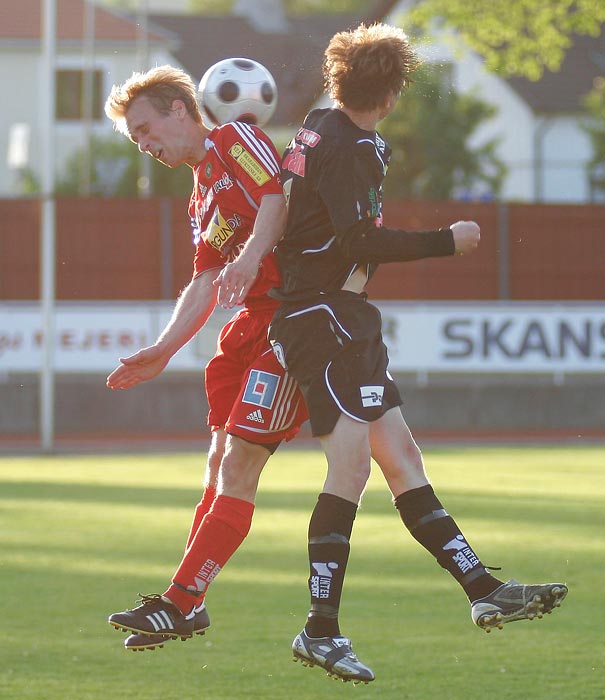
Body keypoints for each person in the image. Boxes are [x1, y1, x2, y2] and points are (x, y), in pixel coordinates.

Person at [268, 23, 568, 684]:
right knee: (348, 472)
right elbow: (354, 241)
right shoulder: (351, 146)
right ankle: (320, 630)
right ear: (395, 88)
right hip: (325, 316)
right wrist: (445, 240)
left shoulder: (322, 123)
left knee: (400, 460)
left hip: (339, 315)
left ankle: (482, 589)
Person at [103, 65, 308, 651]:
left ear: (180, 110)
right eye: (135, 139)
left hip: (290, 319)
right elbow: (205, 278)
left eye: (146, 128)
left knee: (242, 464)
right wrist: (164, 350)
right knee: (219, 463)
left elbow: (278, 197)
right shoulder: (200, 194)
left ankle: (180, 602)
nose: (145, 144)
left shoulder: (234, 138)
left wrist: (251, 258)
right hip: (247, 330)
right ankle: (188, 602)